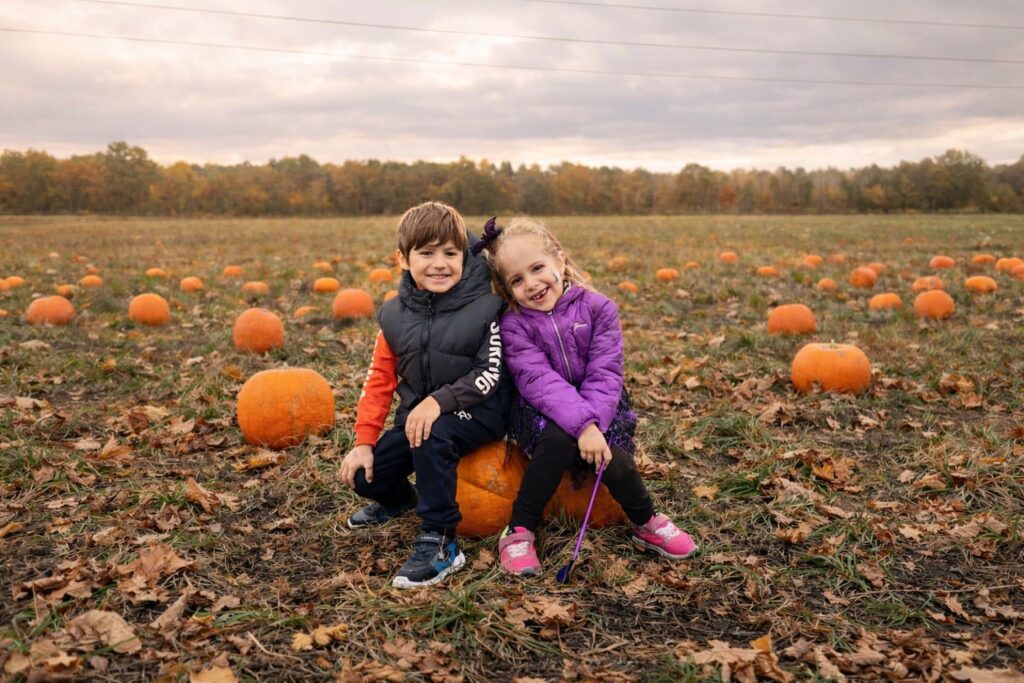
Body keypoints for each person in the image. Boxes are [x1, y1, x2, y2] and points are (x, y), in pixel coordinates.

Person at [477, 216, 698, 576]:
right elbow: (539, 382)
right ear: (507, 289)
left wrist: (592, 424)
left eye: (537, 268)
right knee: (556, 441)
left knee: (616, 460)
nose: (531, 284)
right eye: (517, 280)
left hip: (602, 405)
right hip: (541, 410)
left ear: (559, 260)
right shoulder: (515, 325)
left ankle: (646, 521)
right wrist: (582, 428)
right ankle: (518, 529)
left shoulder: (599, 309)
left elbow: (605, 374)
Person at [338, 201, 510, 588]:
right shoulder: (394, 316)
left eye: (450, 253)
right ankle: (402, 500)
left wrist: (438, 402)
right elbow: (379, 381)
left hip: (480, 411)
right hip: (420, 417)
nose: (440, 264)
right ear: (403, 259)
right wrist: (364, 442)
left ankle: (441, 540)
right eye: (427, 253)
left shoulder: (486, 307)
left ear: (464, 256)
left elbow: (489, 373)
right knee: (366, 476)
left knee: (434, 433)